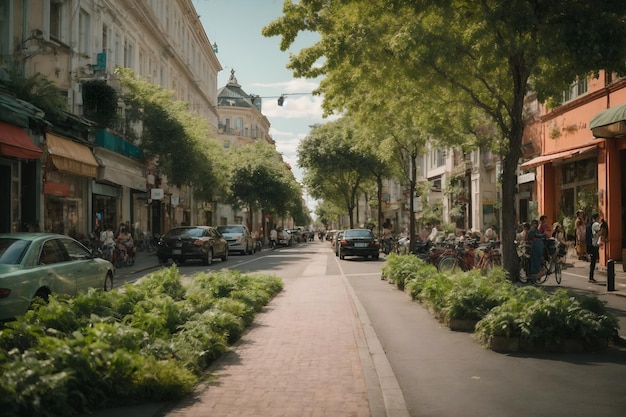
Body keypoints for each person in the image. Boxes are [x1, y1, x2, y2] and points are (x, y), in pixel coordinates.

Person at [585, 213, 601, 283]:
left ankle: (591, 277)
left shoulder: (589, 224)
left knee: (593, 261)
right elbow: (599, 231)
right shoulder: (596, 224)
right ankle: (591, 277)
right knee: (593, 261)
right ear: (597, 218)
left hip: (590, 244)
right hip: (594, 244)